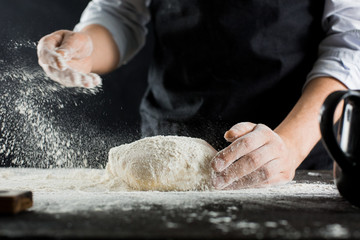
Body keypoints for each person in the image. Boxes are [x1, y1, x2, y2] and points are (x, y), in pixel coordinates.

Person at [37, 0, 360, 190]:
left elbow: (351, 41)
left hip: (293, 142)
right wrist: (86, 48)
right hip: (171, 133)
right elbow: (120, 13)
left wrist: (289, 145)